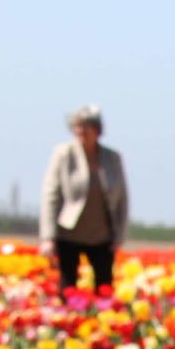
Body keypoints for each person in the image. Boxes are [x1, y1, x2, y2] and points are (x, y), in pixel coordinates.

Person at [40, 106, 129, 293]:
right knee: (68, 288)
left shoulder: (112, 158)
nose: (81, 131)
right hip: (69, 233)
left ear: (97, 130)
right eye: (77, 127)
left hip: (102, 236)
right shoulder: (63, 154)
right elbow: (51, 195)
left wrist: (119, 234)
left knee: (104, 288)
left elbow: (122, 198)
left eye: (86, 127)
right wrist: (48, 237)